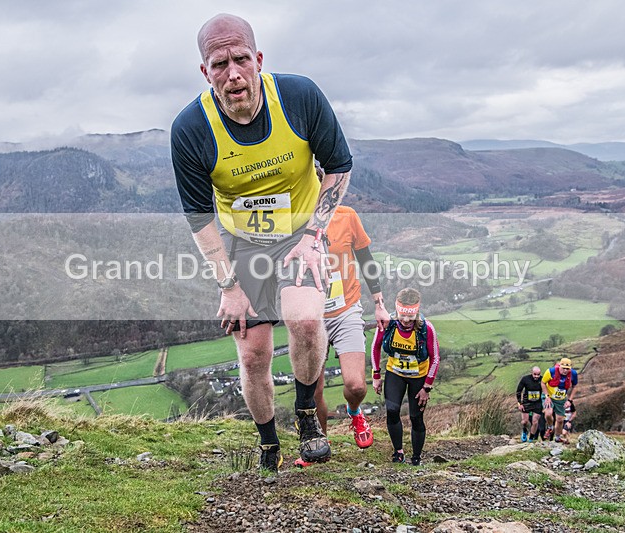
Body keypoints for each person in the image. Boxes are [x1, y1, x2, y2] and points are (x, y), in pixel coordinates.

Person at [171, 13, 352, 474]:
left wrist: (315, 236)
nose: (232, 73)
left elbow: (339, 168)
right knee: (253, 355)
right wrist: (228, 286)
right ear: (205, 71)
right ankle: (269, 442)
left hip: (300, 236)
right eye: (218, 64)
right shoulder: (191, 129)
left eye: (240, 59)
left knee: (307, 321)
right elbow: (199, 217)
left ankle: (308, 413)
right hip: (244, 243)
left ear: (258, 60)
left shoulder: (298, 96)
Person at [309, 203, 390, 458]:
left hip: (346, 311)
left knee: (356, 386)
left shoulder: (346, 215)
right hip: (312, 317)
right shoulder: (292, 217)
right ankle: (320, 444)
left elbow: (365, 259)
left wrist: (379, 304)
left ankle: (354, 413)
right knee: (315, 391)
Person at [371, 288, 440, 466]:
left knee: (416, 417)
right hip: (395, 374)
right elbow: (375, 347)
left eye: (411, 316)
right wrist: (376, 375)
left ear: (417, 311)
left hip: (419, 378)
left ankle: (416, 457)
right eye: (402, 315)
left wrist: (427, 387)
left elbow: (435, 358)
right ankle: (398, 452)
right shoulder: (388, 323)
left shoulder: (426, 328)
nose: (407, 320)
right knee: (392, 411)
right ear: (397, 310)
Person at [542, 357, 578, 443]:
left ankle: (557, 437)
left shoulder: (573, 374)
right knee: (548, 413)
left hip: (561, 399)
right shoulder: (551, 371)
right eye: (563, 368)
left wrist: (570, 400)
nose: (565, 371)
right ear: (559, 366)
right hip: (549, 397)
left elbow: (575, 387)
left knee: (560, 420)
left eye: (567, 369)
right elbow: (543, 383)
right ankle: (550, 428)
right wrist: (547, 396)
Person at [515, 366, 544, 442]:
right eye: (535, 374)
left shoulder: (542, 379)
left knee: (535, 421)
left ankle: (531, 439)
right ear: (532, 373)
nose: (536, 376)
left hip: (537, 403)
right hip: (527, 403)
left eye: (538, 374)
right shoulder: (525, 379)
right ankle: (524, 431)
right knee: (525, 421)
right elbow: (518, 391)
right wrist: (520, 403)